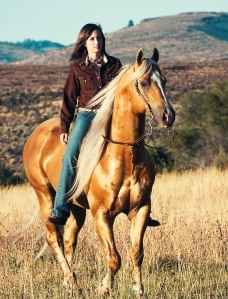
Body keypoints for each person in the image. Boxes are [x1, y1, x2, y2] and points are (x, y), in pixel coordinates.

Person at [48, 23, 160, 227]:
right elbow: (69, 99)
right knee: (71, 155)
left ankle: (144, 204)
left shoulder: (115, 65)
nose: (96, 42)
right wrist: (65, 127)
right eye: (92, 39)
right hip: (86, 116)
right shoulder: (77, 68)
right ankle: (60, 209)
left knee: (138, 148)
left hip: (111, 116)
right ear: (84, 42)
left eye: (99, 38)